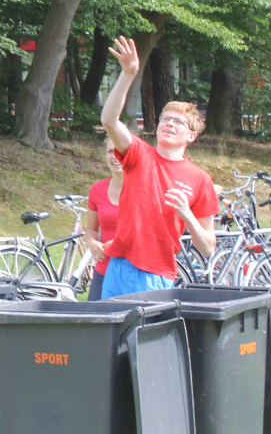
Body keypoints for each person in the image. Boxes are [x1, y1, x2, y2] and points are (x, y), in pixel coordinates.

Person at [99, 36, 217, 298]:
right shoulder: (139, 154)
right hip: (118, 265)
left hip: (157, 273)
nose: (169, 123)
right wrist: (128, 73)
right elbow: (109, 120)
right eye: (165, 118)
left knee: (143, 338)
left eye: (179, 122)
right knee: (108, 337)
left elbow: (208, 248)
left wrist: (187, 215)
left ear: (191, 136)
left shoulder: (200, 180)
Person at [81, 137, 122, 301]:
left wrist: (122, 243)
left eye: (120, 150)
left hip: (133, 274)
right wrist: (92, 243)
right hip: (103, 271)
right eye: (110, 151)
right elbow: (91, 229)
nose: (115, 156)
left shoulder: (144, 189)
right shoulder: (97, 189)